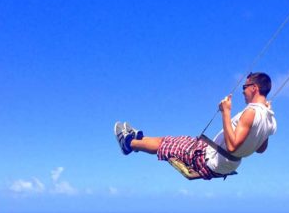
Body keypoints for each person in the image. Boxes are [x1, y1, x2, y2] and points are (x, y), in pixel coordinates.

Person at [114, 72, 277, 180]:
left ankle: (128, 144)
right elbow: (260, 149)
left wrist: (225, 112)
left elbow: (233, 146)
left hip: (210, 160)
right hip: (226, 163)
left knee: (165, 144)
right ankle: (138, 138)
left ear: (254, 88)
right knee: (174, 139)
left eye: (245, 87)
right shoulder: (269, 118)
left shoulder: (251, 113)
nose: (242, 91)